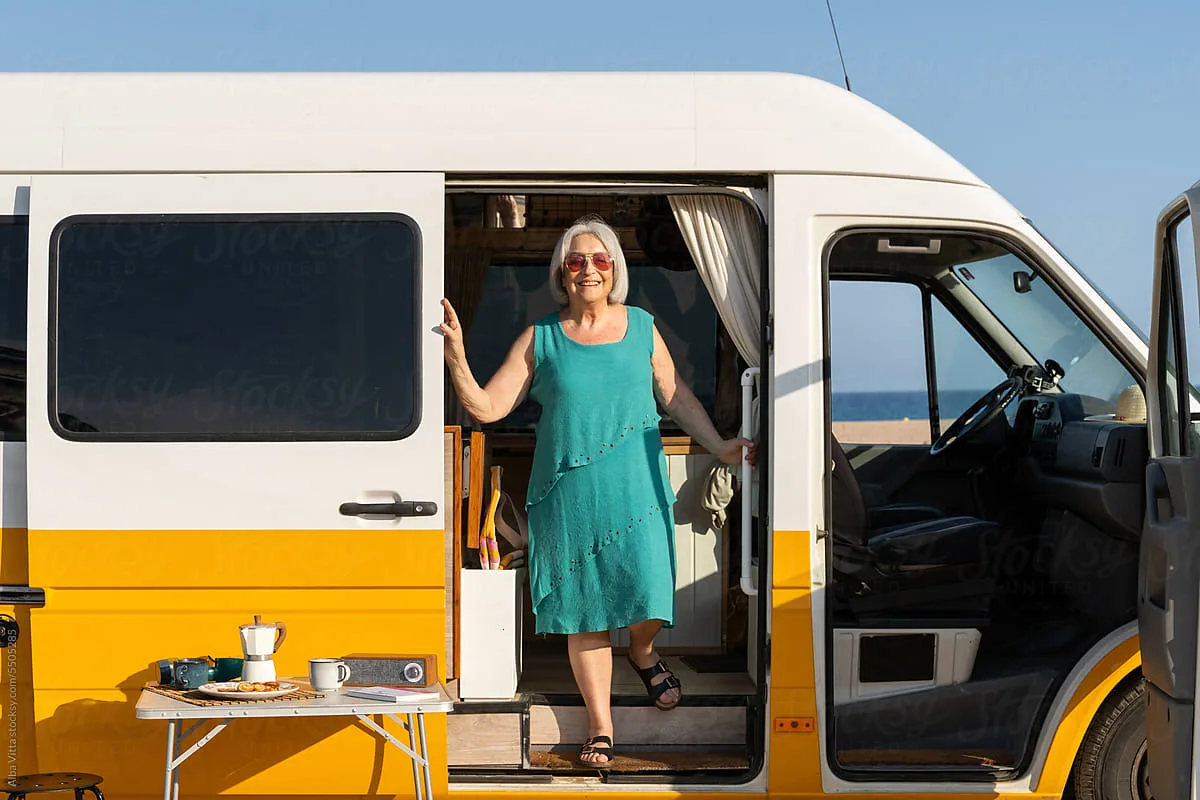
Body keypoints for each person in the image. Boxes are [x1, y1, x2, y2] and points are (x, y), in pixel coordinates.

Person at [440, 214, 755, 768]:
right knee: (583, 610)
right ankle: (602, 726)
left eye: (599, 259)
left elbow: (675, 395)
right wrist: (458, 358)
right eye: (576, 261)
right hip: (569, 497)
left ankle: (643, 651)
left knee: (650, 590)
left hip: (636, 488)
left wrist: (720, 445)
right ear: (562, 273)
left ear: (615, 270)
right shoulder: (541, 339)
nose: (588, 269)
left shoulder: (641, 326)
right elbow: (486, 408)